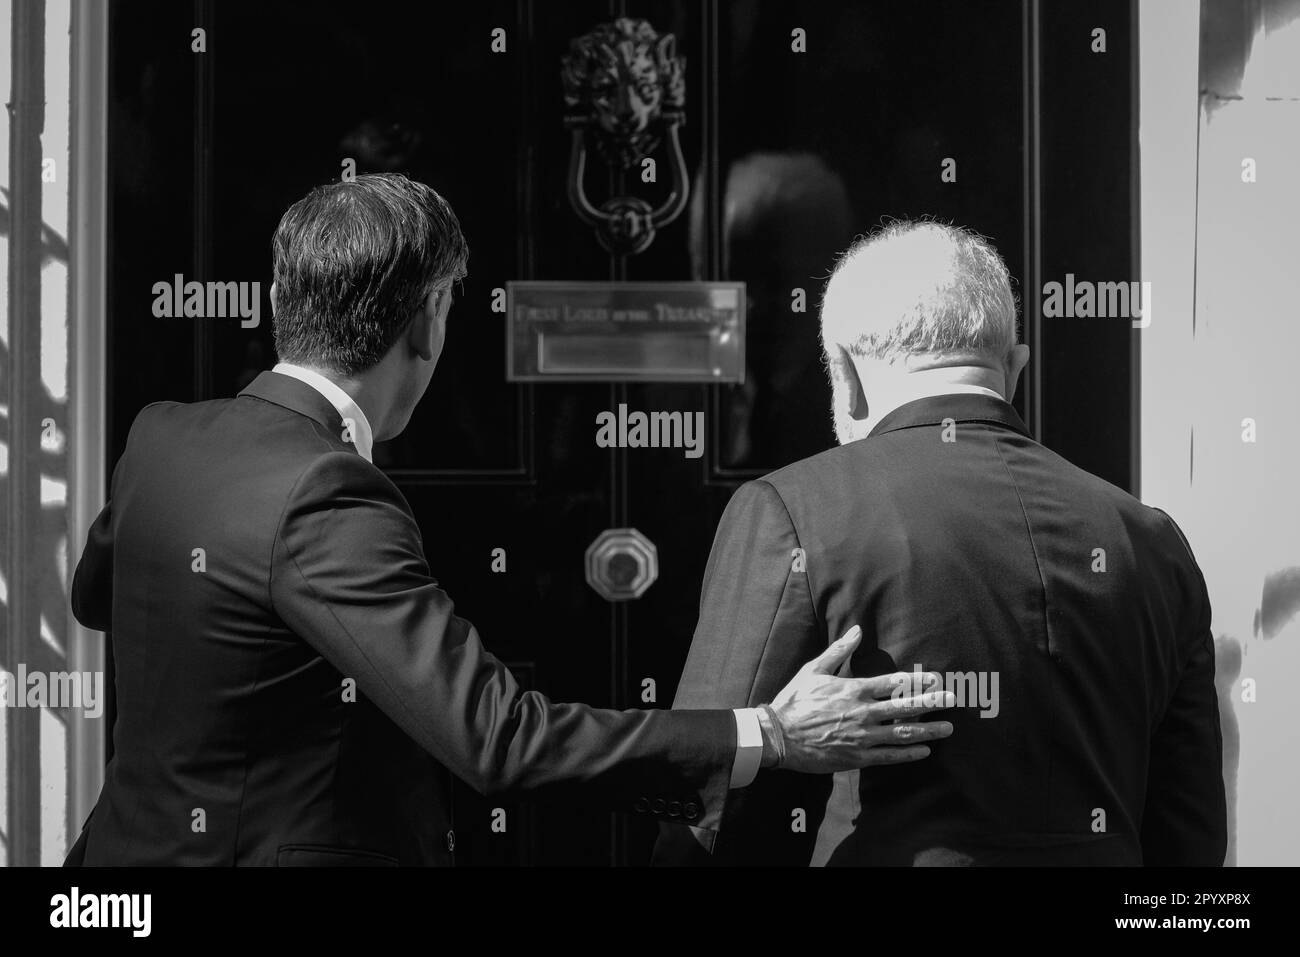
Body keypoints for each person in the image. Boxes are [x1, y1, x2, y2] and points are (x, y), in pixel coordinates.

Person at [64, 175, 955, 866]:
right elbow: (500, 738)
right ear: (426, 323)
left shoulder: (162, 440)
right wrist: (775, 732)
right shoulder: (327, 495)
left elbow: (96, 596)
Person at [655, 219, 1226, 866]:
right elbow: (1190, 833)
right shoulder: (1151, 540)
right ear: (1015, 368)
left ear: (845, 372)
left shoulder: (793, 511)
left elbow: (715, 793)